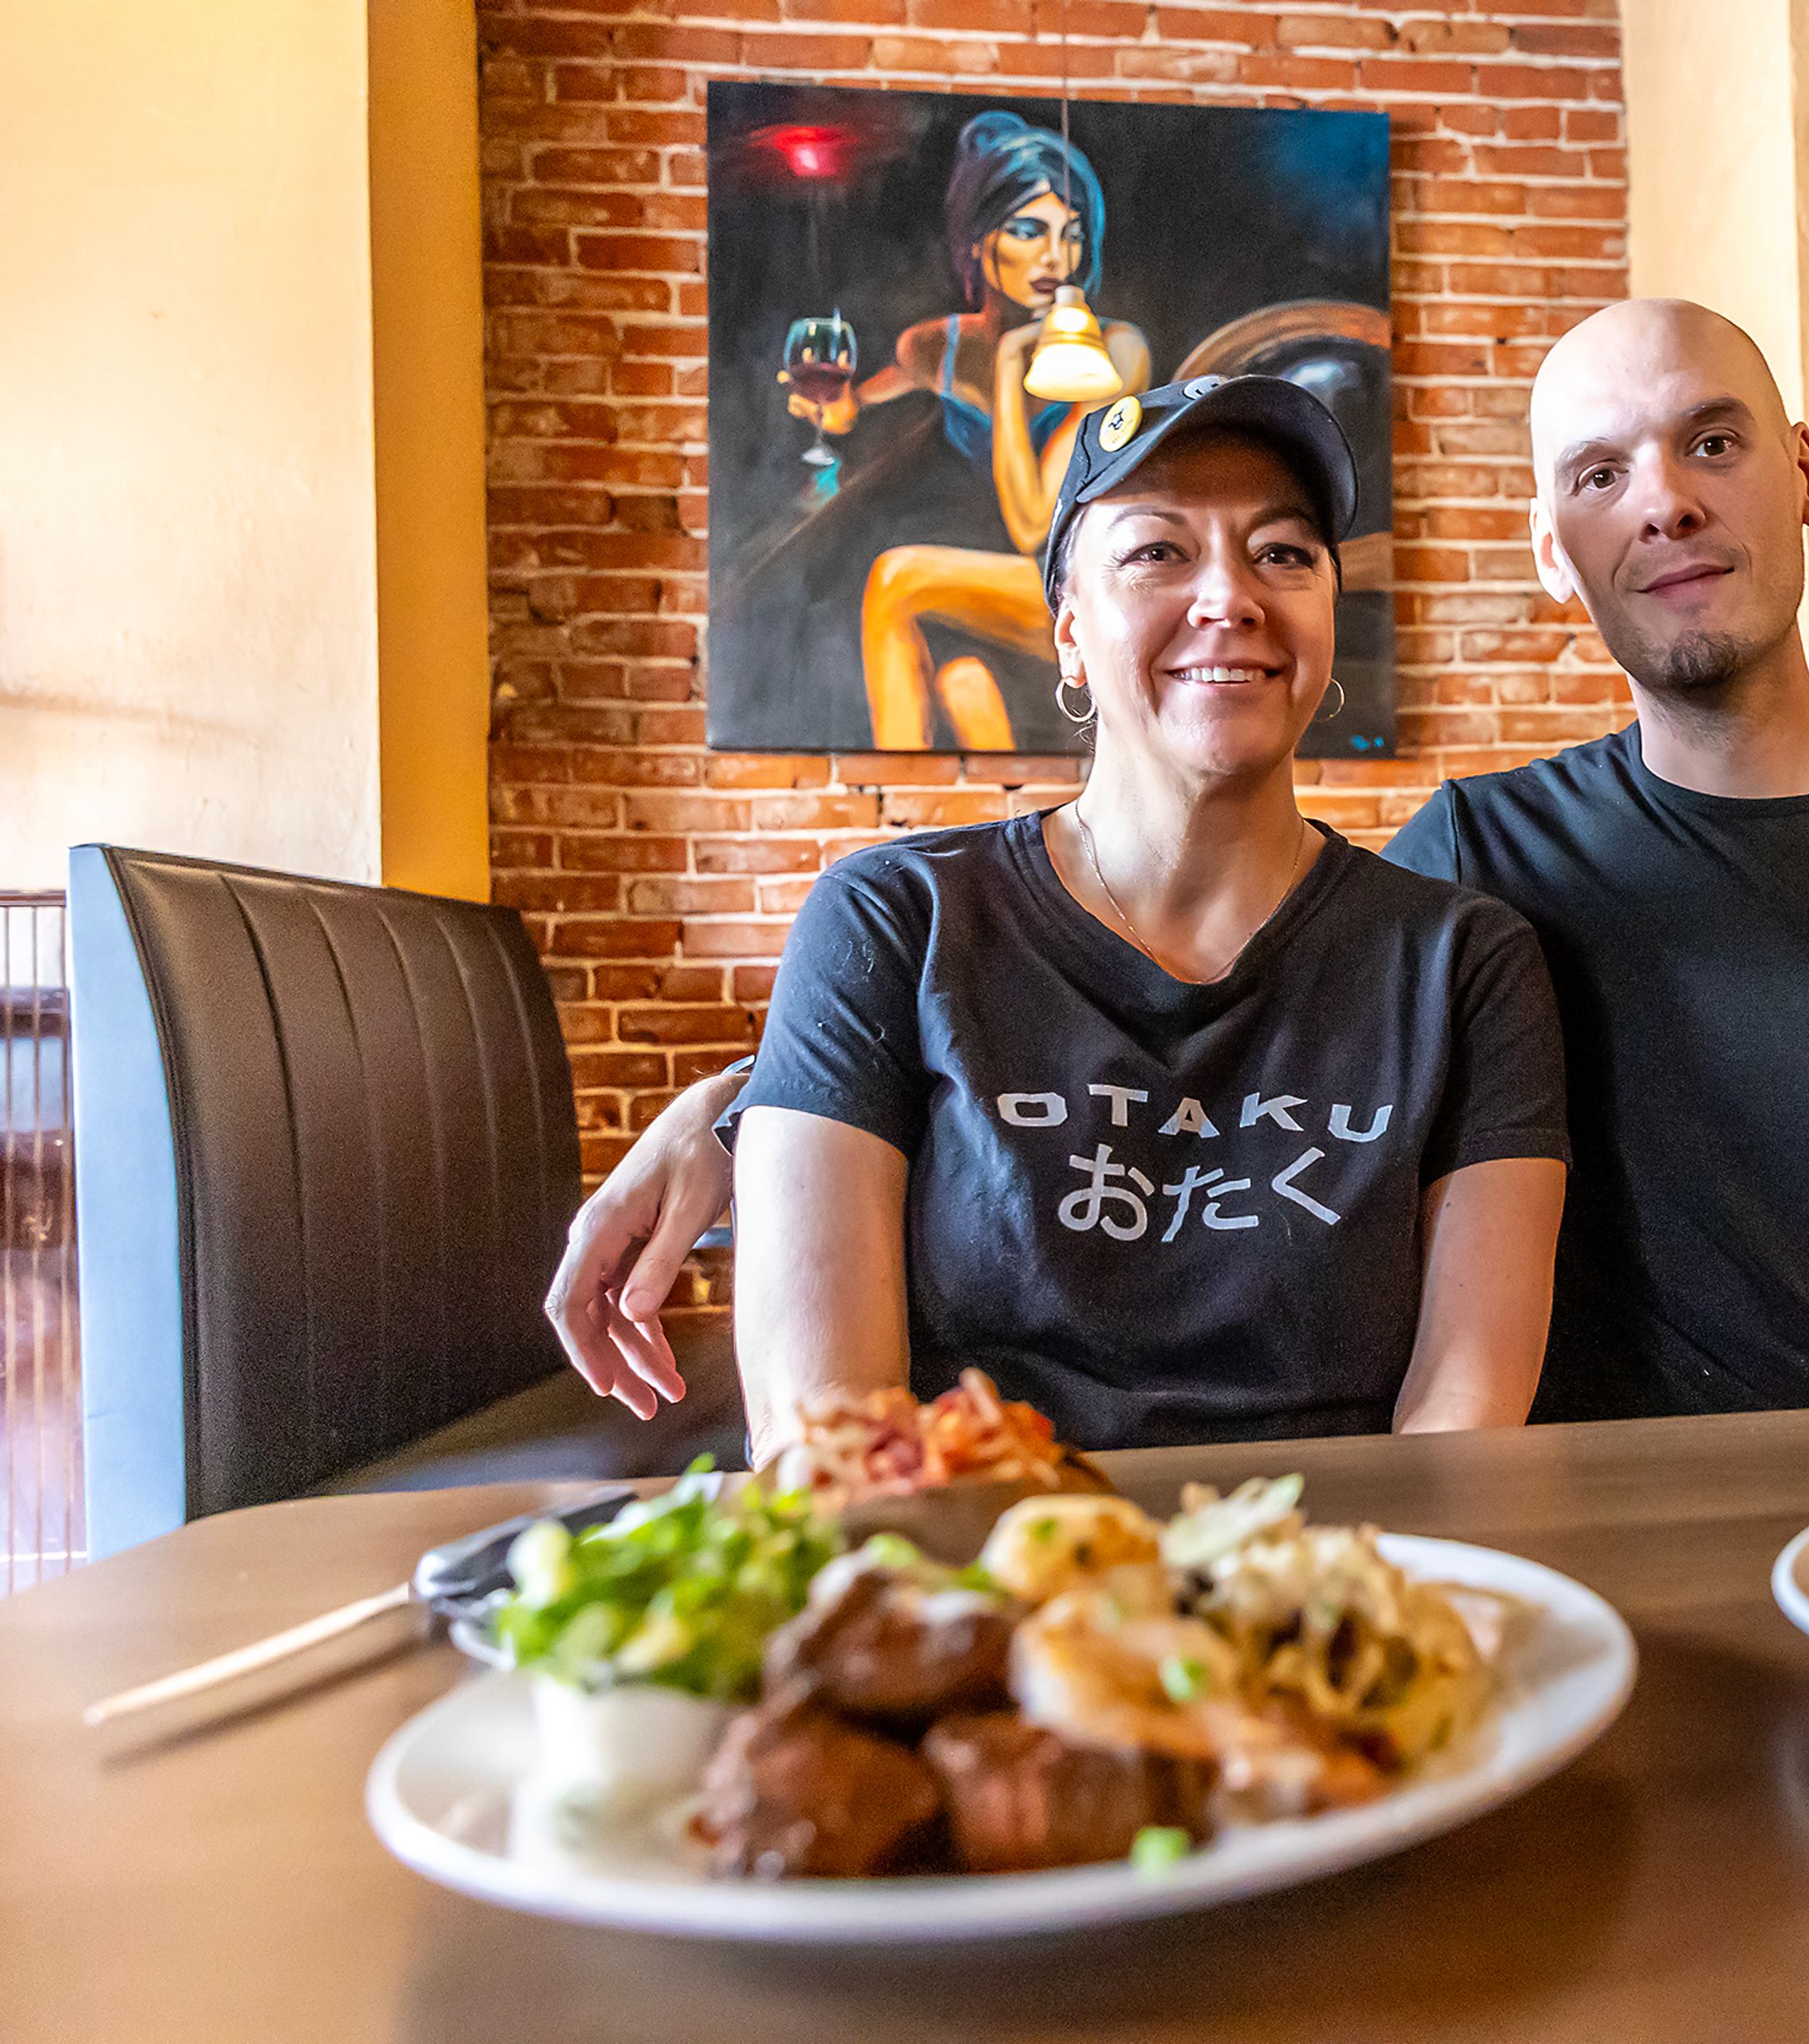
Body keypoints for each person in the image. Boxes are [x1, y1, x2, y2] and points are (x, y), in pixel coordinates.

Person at [554, 298, 1809, 1429]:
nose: (1665, 500)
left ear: (1806, 476)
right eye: (1603, 470)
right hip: (1653, 1539)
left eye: (1715, 441)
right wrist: (774, 1107)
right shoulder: (1488, 867)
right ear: (1554, 548)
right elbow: (1111, 997)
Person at [653, 375, 1568, 1454]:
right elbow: (831, 1445)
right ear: (1070, 634)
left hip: (1333, 1583)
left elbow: (1462, 1428)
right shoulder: (892, 922)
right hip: (983, 1582)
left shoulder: (1465, 961)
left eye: (1283, 552)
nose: (1231, 596)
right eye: (1158, 553)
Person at [778, 112, 1153, 749]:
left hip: (1081, 590)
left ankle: (881, 799)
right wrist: (842, 410)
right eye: (1029, 230)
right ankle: (913, 828)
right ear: (978, 242)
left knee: (898, 578)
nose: (1055, 259)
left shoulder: (1113, 352)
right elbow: (865, 398)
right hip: (991, 599)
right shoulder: (937, 348)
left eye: (1071, 236)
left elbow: (1034, 522)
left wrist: (1011, 367)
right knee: (965, 689)